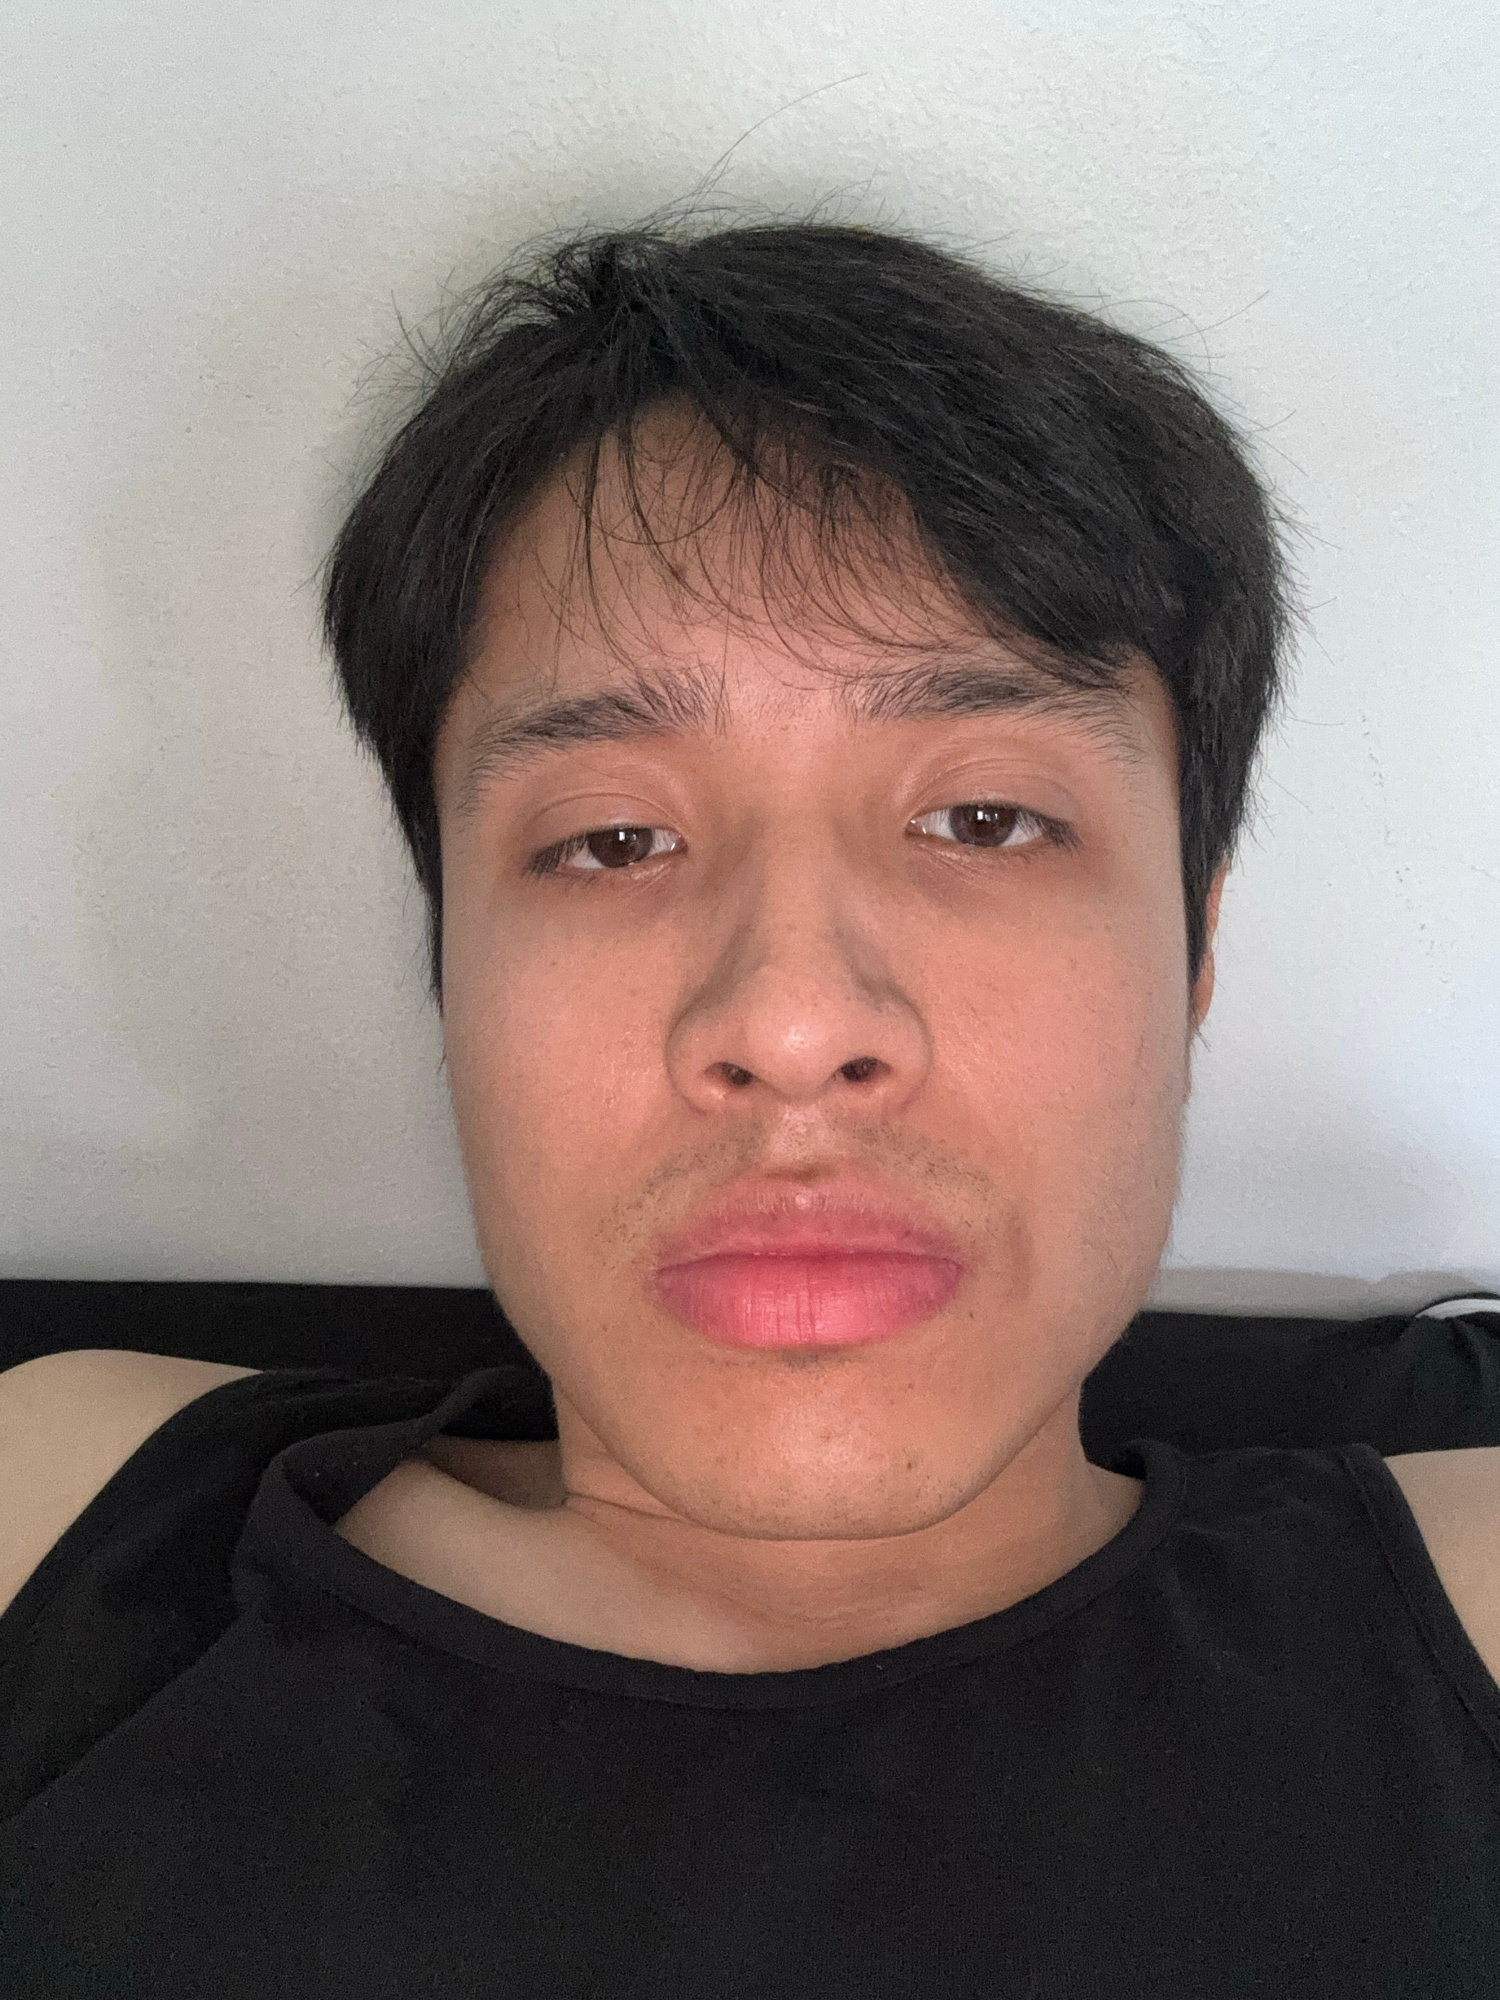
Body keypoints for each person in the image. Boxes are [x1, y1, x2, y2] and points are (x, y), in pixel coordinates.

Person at [2, 206, 1496, 1995]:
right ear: (446, 967)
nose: (791, 1025)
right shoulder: (63, 1508)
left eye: (985, 820)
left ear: (1193, 955)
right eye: (613, 840)